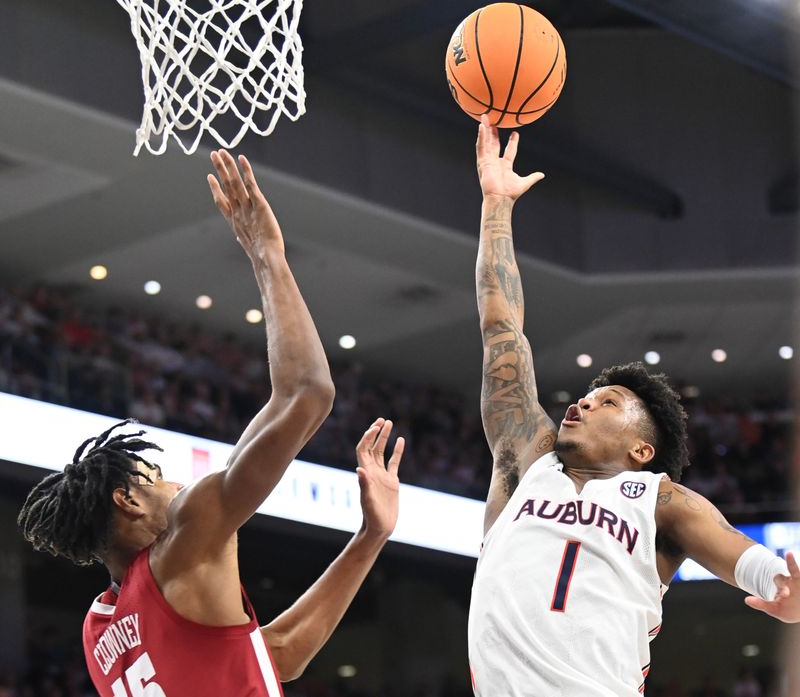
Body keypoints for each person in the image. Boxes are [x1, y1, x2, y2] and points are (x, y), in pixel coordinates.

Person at [17, 150, 405, 697]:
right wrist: (268, 254)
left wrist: (370, 537)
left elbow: (279, 657)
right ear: (127, 500)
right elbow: (307, 394)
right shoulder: (187, 539)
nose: (175, 482)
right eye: (157, 474)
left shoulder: (100, 626)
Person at [466, 116, 800, 696]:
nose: (580, 405)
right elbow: (502, 331)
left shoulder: (658, 499)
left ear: (642, 448)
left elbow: (739, 553)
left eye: (606, 403)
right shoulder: (528, 456)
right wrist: (497, 205)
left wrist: (781, 584)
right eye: (586, 397)